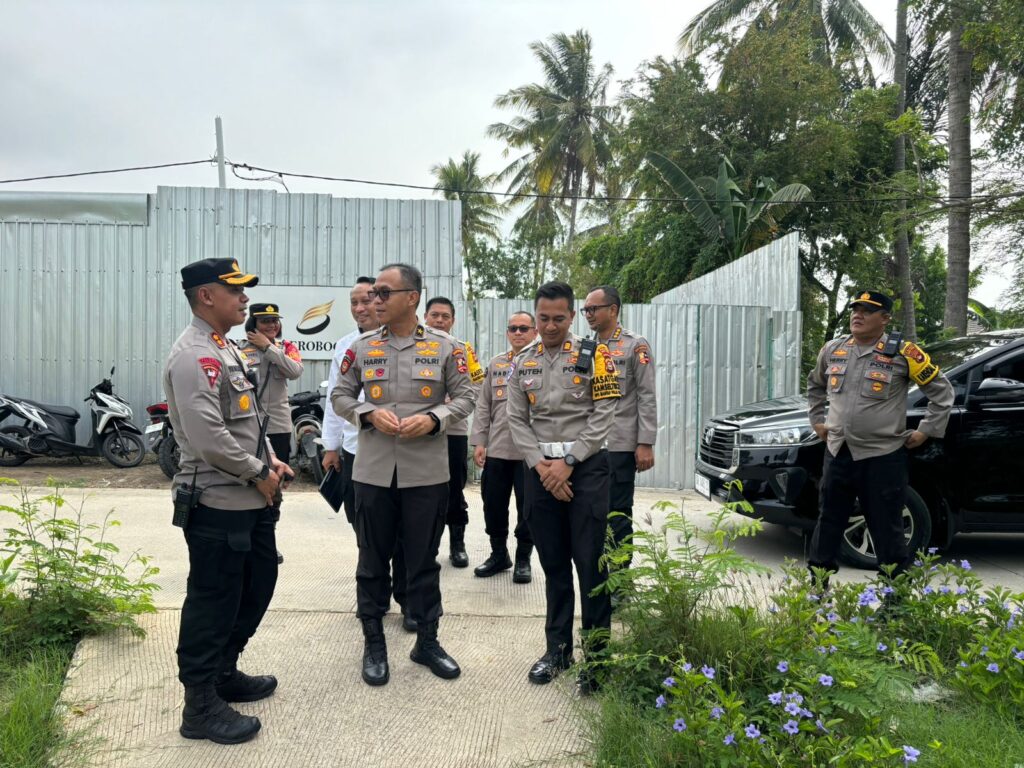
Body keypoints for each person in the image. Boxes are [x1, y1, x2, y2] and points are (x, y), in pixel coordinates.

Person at [163, 258, 292, 745]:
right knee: (213, 601)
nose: (245, 300)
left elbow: (252, 420)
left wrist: (273, 460)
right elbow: (208, 437)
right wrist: (259, 473)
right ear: (205, 297)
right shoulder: (194, 355)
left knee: (256, 587)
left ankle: (224, 673)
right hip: (217, 501)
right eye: (235, 291)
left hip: (251, 497)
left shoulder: (226, 349)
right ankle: (199, 705)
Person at [332, 263, 477, 687]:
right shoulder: (359, 348)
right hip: (374, 473)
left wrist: (435, 418)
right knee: (372, 561)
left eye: (383, 292)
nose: (374, 300)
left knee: (423, 561)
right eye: (373, 293)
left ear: (411, 297)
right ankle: (374, 643)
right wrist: (366, 413)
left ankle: (427, 641)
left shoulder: (446, 347)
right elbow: (339, 395)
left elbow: (467, 397)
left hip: (426, 474)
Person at [506, 281, 620, 694]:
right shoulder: (524, 361)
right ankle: (557, 652)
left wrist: (568, 465)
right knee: (554, 566)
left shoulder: (596, 356)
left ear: (572, 317)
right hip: (539, 472)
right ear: (534, 317)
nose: (550, 326)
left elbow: (605, 412)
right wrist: (543, 467)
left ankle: (597, 659)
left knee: (591, 566)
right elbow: (516, 419)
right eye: (543, 318)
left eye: (558, 318)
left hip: (586, 469)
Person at [807, 290, 954, 582]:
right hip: (838, 452)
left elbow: (942, 392)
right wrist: (817, 420)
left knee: (887, 528)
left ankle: (894, 600)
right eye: (855, 309)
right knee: (827, 523)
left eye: (867, 310)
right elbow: (815, 385)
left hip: (882, 457)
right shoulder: (834, 349)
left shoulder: (905, 353)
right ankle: (817, 590)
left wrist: (926, 430)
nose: (857, 315)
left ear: (885, 319)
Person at [321, 278, 414, 631]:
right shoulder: (347, 347)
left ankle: (407, 600)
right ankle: (373, 601)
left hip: (403, 452)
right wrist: (331, 447)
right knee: (367, 532)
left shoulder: (409, 344)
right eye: (354, 302)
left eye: (367, 300)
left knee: (406, 531)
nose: (361, 308)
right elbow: (335, 402)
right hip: (356, 452)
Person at [582, 285, 657, 566]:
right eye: (586, 309)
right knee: (592, 512)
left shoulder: (635, 345)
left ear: (612, 310)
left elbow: (647, 395)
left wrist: (645, 442)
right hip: (589, 445)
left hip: (620, 444)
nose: (588, 314)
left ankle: (621, 580)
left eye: (593, 308)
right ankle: (599, 573)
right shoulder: (584, 347)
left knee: (618, 514)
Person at [470, 311, 537, 582]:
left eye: (524, 328)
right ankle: (499, 555)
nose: (518, 333)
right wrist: (479, 441)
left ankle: (523, 559)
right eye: (513, 328)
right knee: (493, 505)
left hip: (529, 454)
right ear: (507, 333)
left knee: (528, 507)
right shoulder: (498, 363)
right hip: (497, 449)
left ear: (535, 332)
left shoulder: (541, 362)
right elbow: (484, 405)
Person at [239, 302, 304, 565]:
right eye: (265, 321)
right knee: (249, 480)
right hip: (248, 425)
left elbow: (295, 371)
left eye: (275, 321)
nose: (271, 325)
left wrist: (268, 348)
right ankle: (247, 538)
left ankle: (268, 540)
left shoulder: (286, 348)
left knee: (276, 483)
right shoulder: (239, 349)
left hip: (277, 425)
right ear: (253, 324)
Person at [423, 296, 485, 568]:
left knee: (454, 489)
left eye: (444, 316)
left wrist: (451, 404)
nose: (439, 320)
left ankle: (457, 543)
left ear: (452, 320)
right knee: (424, 491)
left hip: (454, 431)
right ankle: (427, 544)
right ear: (425, 317)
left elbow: (477, 387)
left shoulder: (463, 349)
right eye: (434, 315)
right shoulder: (415, 345)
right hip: (421, 431)